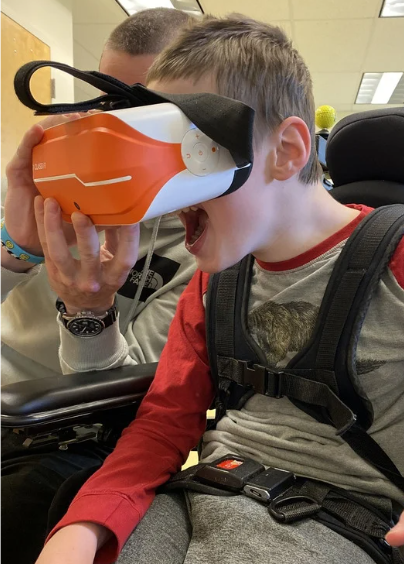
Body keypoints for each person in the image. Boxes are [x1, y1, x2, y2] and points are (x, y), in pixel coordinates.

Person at [31, 14, 404, 564]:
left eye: (189, 152)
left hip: (341, 519)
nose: (167, 192)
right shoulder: (212, 283)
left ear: (286, 151)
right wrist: (86, 523)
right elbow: (164, 424)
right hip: (203, 495)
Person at [1, 8, 195, 564]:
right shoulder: (51, 182)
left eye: (144, 110)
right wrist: (16, 251)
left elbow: (129, 403)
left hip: (58, 430)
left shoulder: (204, 239)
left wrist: (89, 309)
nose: (116, 128)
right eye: (109, 103)